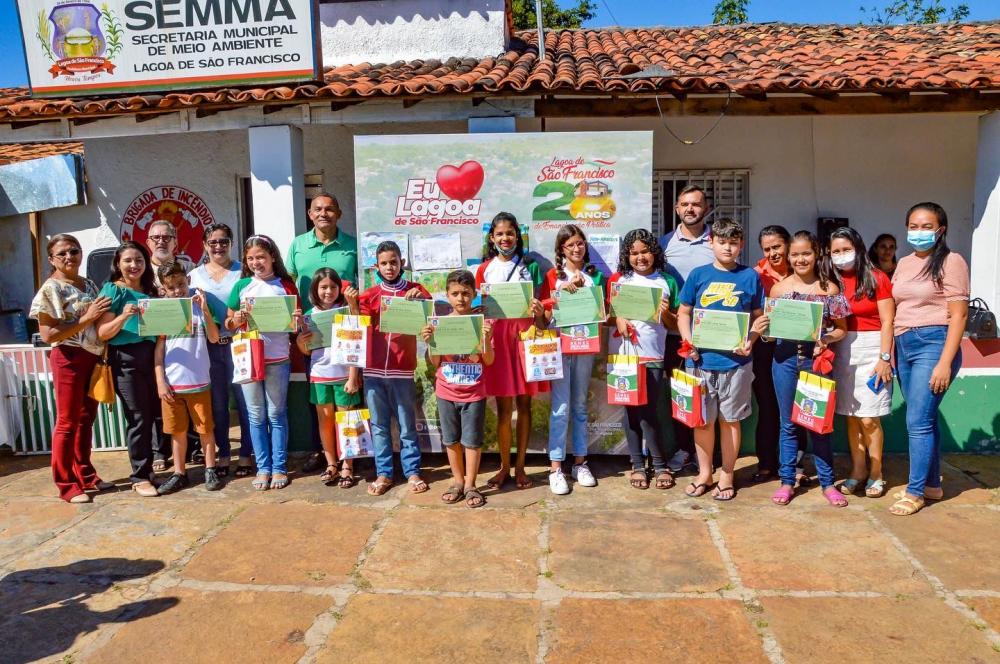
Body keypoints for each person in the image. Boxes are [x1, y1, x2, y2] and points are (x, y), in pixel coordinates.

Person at [889, 203, 968, 516]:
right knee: (925, 418)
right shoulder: (905, 263)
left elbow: (959, 315)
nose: (918, 232)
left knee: (917, 422)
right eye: (913, 225)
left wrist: (945, 362)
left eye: (926, 226)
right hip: (903, 344)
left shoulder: (952, 261)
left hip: (933, 343)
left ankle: (915, 491)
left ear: (941, 230)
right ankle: (933, 484)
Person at [677, 218, 764, 501]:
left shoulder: (750, 276)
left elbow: (759, 317)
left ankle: (727, 473)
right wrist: (688, 343)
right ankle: (705, 473)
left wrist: (750, 341)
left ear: (741, 245)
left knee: (730, 421)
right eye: (722, 242)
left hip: (736, 364)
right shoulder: (698, 275)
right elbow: (684, 312)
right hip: (700, 361)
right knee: (702, 421)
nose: (728, 248)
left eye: (734, 243)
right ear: (712, 242)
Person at [763, 231, 850, 507]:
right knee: (787, 424)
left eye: (806, 253)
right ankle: (787, 481)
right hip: (785, 360)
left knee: (819, 425)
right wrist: (763, 332)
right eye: (795, 254)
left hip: (817, 361)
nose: (800, 259)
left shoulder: (830, 290)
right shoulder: (779, 290)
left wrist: (824, 338)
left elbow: (841, 330)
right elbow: (770, 332)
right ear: (788, 256)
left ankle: (827, 482)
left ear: (817, 255)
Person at [29, 234, 113, 503]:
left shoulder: (87, 283)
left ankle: (86, 474)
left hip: (91, 357)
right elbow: (48, 334)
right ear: (52, 259)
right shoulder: (50, 289)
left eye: (74, 251)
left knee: (86, 418)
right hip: (68, 358)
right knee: (67, 422)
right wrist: (86, 318)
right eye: (62, 253)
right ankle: (66, 484)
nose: (69, 257)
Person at [286, 193, 360, 474]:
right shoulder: (298, 245)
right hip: (312, 337)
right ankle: (327, 456)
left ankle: (349, 459)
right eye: (318, 209)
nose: (324, 213)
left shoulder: (352, 246)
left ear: (339, 213)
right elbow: (289, 284)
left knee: (346, 407)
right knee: (321, 408)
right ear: (309, 213)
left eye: (330, 208)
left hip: (345, 340)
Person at [474, 213, 546, 491]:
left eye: (510, 233)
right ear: (492, 238)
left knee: (525, 405)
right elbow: (479, 304)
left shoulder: (532, 267)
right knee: (504, 407)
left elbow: (541, 306)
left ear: (518, 236)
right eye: (500, 234)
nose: (505, 239)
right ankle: (504, 466)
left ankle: (520, 468)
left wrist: (538, 311)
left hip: (525, 338)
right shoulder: (484, 269)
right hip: (499, 340)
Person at [225, 235, 302, 491]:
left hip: (277, 357)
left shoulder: (286, 285)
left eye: (261, 257)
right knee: (255, 415)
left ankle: (279, 467)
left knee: (276, 414)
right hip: (248, 358)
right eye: (251, 258)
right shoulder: (242, 286)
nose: (256, 262)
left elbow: (296, 326)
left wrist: (297, 320)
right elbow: (228, 324)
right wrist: (236, 318)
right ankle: (263, 467)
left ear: (272, 258)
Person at [608, 229, 679, 490]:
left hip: (653, 355)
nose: (640, 257)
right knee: (630, 411)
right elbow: (606, 317)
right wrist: (618, 318)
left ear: (654, 253)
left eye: (645, 251)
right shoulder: (618, 280)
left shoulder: (667, 281)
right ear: (627, 256)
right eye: (634, 253)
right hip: (623, 356)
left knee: (649, 411)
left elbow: (677, 324)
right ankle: (637, 464)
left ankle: (659, 465)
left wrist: (666, 314)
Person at [359, 241, 432, 496]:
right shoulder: (368, 295)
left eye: (393, 262)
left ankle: (412, 472)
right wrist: (352, 305)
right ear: (376, 266)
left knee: (406, 424)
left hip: (402, 369)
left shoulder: (416, 289)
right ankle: (384, 473)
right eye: (384, 263)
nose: (389, 267)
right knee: (378, 426)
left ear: (402, 262)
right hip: (373, 371)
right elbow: (359, 327)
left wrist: (420, 299)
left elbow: (430, 314)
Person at [828, 227, 895, 499]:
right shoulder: (832, 281)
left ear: (858, 248)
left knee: (869, 418)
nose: (841, 256)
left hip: (873, 349)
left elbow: (888, 320)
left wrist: (884, 358)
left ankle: (877, 472)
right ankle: (858, 470)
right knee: (852, 416)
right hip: (843, 348)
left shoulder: (877, 277)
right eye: (836, 251)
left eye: (846, 249)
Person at [539, 224, 605, 495]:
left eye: (580, 243)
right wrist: (561, 293)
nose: (576, 249)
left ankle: (580, 462)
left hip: (585, 347)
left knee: (579, 405)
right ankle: (555, 467)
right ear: (561, 250)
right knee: (561, 407)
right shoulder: (553, 276)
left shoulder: (595, 276)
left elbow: (602, 312)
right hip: (559, 347)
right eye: (570, 245)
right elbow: (543, 318)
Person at [421, 269, 494, 508]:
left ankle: (472, 485)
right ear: (447, 295)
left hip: (474, 393)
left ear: (474, 294)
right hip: (446, 391)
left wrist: (485, 341)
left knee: (472, 441)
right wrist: (431, 343)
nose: (460, 298)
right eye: (455, 293)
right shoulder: (440, 324)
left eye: (465, 293)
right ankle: (457, 481)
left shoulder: (482, 324)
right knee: (451, 440)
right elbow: (435, 364)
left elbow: (489, 361)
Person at [96, 241, 161, 497]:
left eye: (139, 261)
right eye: (128, 261)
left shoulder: (150, 292)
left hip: (152, 357)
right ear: (118, 264)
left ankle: (150, 467)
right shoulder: (113, 291)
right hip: (125, 359)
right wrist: (123, 316)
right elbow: (102, 333)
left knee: (154, 414)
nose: (134, 265)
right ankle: (140, 476)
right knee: (138, 418)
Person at [188, 223, 253, 478]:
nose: (218, 246)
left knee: (245, 403)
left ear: (231, 243)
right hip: (209, 347)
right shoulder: (194, 275)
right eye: (213, 242)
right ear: (205, 245)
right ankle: (224, 453)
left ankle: (246, 453)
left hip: (239, 344)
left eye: (224, 241)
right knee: (217, 406)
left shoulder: (242, 271)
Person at [659, 185, 716, 474]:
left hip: (714, 336)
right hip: (675, 335)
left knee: (712, 394)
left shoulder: (718, 242)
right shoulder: (664, 244)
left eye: (696, 204)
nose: (690, 209)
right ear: (676, 209)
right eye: (684, 204)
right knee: (682, 394)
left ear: (706, 209)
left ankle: (709, 454)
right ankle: (684, 449)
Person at [153, 262, 223, 494]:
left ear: (188, 282)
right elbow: (159, 351)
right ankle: (179, 472)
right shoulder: (163, 312)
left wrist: (204, 310)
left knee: (205, 428)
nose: (177, 290)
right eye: (171, 287)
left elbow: (214, 338)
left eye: (181, 284)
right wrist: (160, 381)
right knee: (177, 430)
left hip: (199, 381)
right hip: (173, 384)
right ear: (163, 288)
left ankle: (210, 468)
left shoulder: (198, 307)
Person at [295, 268, 362, 487]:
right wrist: (300, 340)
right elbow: (306, 351)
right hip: (319, 375)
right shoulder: (309, 315)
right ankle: (331, 463)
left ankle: (347, 465)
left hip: (344, 375)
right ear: (315, 289)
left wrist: (353, 376)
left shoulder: (346, 311)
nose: (328, 291)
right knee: (325, 422)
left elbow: (356, 343)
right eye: (323, 287)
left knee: (347, 422)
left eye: (333, 287)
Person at [752, 226, 809, 485]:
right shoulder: (755, 275)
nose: (773, 253)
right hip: (765, 347)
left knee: (797, 407)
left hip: (797, 346)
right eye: (767, 249)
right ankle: (766, 463)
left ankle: (795, 464)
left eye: (777, 247)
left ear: (787, 245)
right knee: (768, 407)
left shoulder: (804, 271)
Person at [145, 219, 194, 471]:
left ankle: (192, 447)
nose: (161, 241)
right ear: (148, 242)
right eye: (156, 237)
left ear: (175, 241)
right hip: (152, 343)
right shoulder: (142, 272)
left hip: (184, 343)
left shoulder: (189, 267)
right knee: (159, 398)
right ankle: (159, 451)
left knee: (188, 395)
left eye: (167, 237)